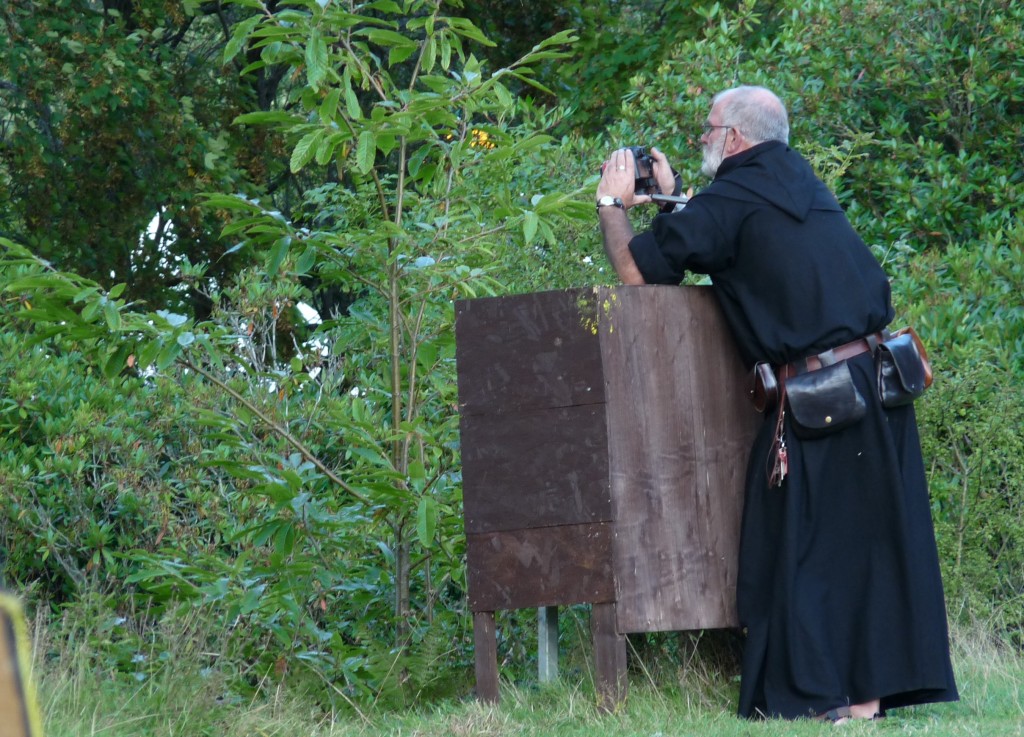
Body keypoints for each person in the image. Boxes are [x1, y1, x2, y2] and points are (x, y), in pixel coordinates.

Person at [595, 85, 958, 722]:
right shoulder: (798, 181)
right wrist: (673, 199)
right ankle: (864, 703)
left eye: (708, 129)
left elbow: (638, 273)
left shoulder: (730, 199)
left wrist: (612, 203)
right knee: (867, 550)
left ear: (734, 139)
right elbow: (715, 232)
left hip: (821, 399)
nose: (703, 137)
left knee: (792, 551)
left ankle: (822, 700)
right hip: (879, 384)